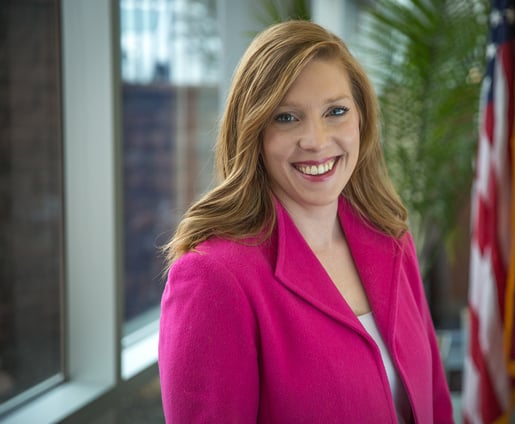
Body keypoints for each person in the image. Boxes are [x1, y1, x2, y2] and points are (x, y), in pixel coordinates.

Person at [158, 20, 453, 424]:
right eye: (286, 118)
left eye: (336, 111)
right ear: (253, 132)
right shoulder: (212, 277)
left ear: (361, 120)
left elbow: (435, 401)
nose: (316, 140)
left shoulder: (391, 239)